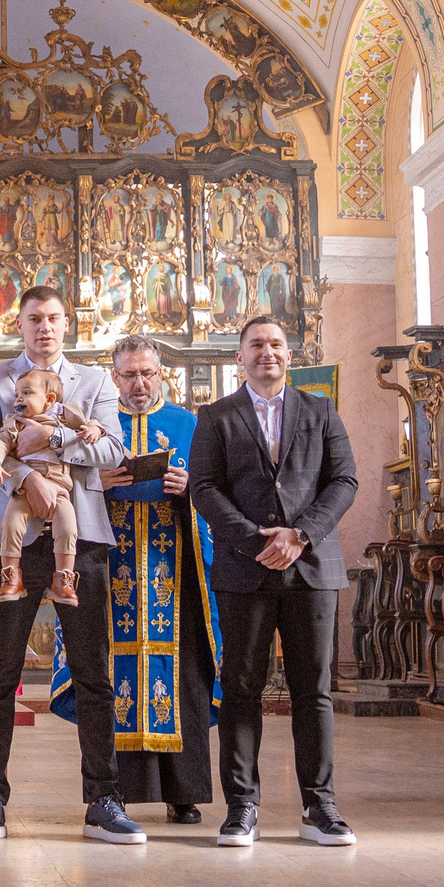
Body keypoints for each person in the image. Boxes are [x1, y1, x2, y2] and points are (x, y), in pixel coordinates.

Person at [0, 285, 129, 845]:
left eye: (54, 318)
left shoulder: (96, 382)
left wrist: (53, 435)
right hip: (11, 533)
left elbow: (112, 452)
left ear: (67, 323)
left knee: (92, 671)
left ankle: (103, 798)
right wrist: (28, 476)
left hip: (79, 538)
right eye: (35, 319)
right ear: (20, 323)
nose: (45, 327)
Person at [188, 315, 359, 847]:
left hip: (312, 567)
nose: (267, 352)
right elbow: (204, 486)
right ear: (238, 356)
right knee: (241, 688)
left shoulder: (320, 410)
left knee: (314, 690)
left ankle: (320, 806)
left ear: (290, 355)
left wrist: (301, 534)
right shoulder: (217, 415)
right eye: (256, 345)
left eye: (276, 345)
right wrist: (253, 539)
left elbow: (344, 480)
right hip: (245, 567)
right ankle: (242, 808)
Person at [52, 336, 219, 826]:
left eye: (147, 373)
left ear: (161, 373)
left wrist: (190, 490)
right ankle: (114, 791)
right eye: (128, 375)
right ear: (114, 376)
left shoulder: (189, 425)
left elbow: (217, 493)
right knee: (108, 674)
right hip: (109, 567)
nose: (138, 383)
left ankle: (182, 791)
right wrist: (95, 484)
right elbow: (64, 487)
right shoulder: (97, 428)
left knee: (182, 675)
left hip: (175, 574)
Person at [0, 367, 82, 606]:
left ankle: (64, 579)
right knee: (11, 523)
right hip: (24, 490)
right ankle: (11, 575)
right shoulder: (15, 422)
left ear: (49, 399)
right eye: (17, 393)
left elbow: (87, 427)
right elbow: (1, 441)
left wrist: (94, 429)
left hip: (58, 487)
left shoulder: (64, 416)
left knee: (68, 526)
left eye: (26, 393)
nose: (18, 399)